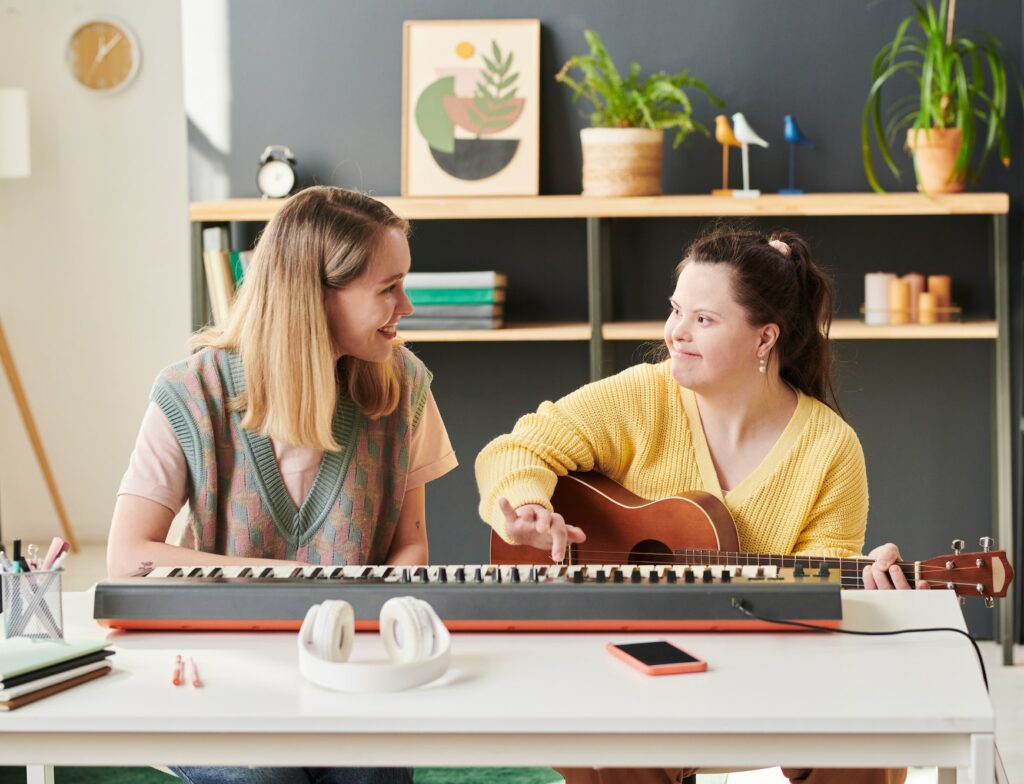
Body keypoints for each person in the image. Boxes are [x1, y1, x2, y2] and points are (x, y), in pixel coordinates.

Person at [475, 224, 920, 784]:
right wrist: (529, 507)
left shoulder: (829, 448)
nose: (675, 333)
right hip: (629, 663)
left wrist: (866, 598)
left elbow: (813, 610)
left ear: (765, 339)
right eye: (675, 310)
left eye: (703, 319)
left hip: (763, 670)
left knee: (869, 744)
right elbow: (519, 447)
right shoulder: (643, 395)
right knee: (610, 727)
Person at [108, 186, 457, 784]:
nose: (408, 304)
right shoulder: (190, 393)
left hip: (352, 671)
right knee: (261, 777)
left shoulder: (405, 387)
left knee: (369, 775)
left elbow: (411, 545)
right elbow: (129, 560)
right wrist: (301, 585)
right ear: (317, 297)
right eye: (388, 288)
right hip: (223, 679)